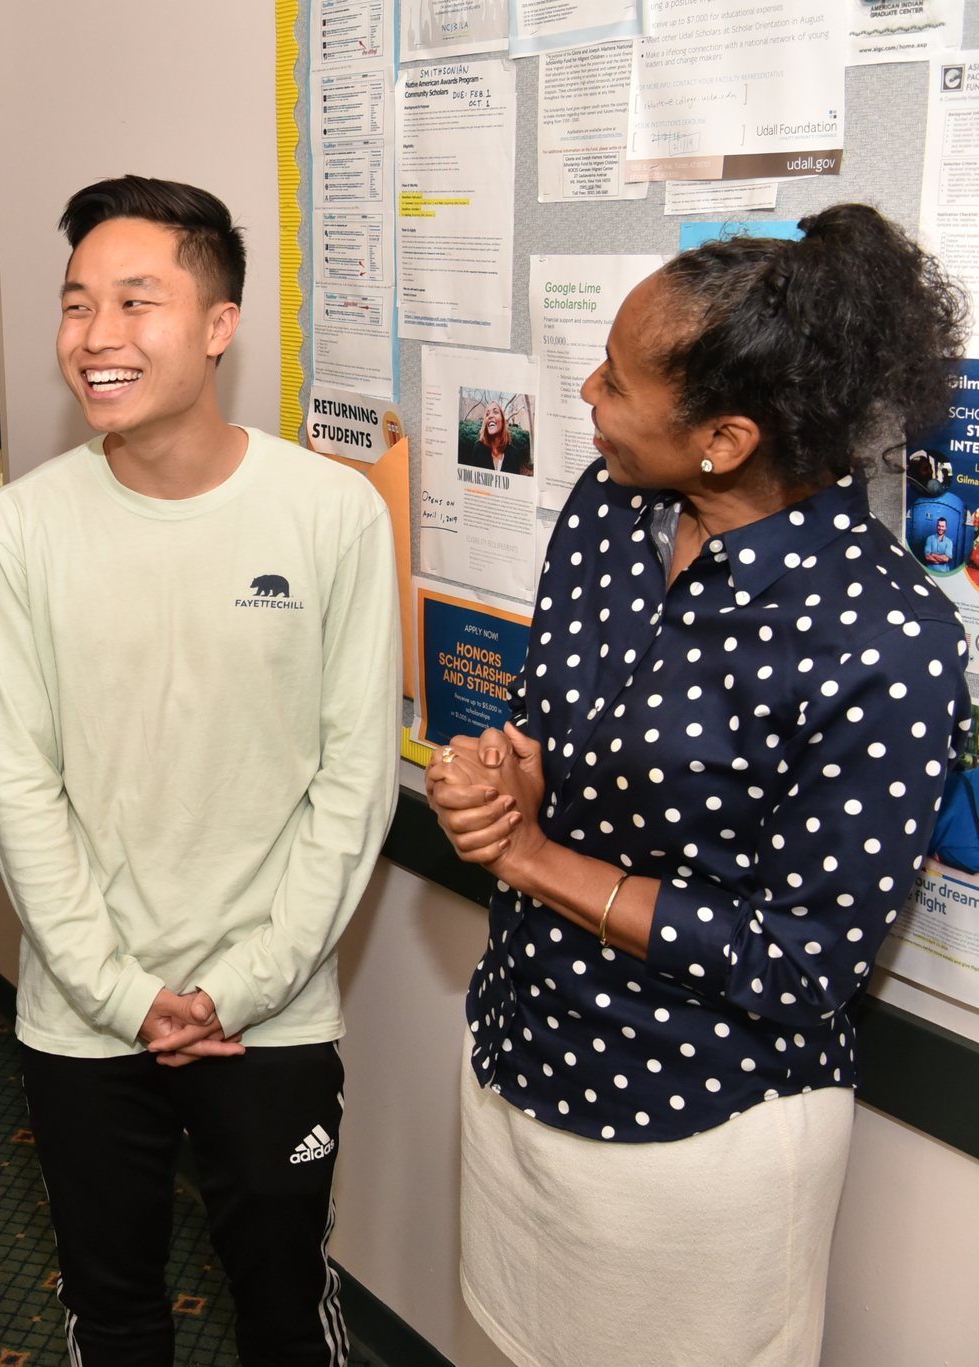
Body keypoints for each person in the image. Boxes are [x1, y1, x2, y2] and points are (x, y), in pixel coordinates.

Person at [425, 203, 969, 1367]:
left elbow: (799, 960)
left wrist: (524, 856)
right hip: (522, 1053)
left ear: (721, 437)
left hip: (693, 1133)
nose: (585, 392)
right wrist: (496, 767)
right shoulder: (608, 513)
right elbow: (547, 719)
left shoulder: (883, 638)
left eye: (616, 383)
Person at [0, 175, 400, 1367]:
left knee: (280, 1308)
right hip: (82, 1012)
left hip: (271, 1003)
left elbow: (352, 781)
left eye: (133, 301)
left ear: (218, 325)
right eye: (73, 304)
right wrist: (118, 992)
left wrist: (245, 984)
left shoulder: (330, 515)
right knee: (111, 1314)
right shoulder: (19, 528)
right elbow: (21, 789)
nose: (94, 337)